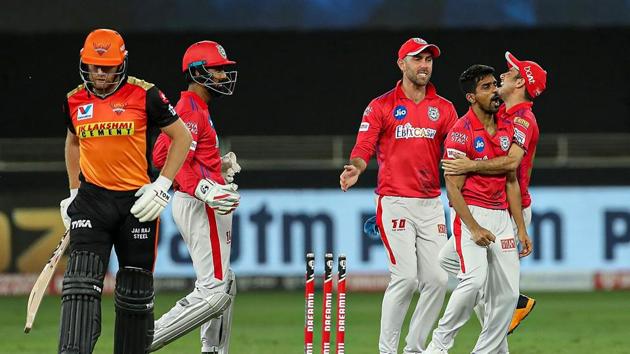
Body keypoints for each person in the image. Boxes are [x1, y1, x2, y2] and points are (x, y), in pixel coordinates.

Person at [58, 28, 192, 354]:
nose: (101, 74)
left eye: (108, 67)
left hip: (137, 202)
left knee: (135, 292)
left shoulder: (145, 94)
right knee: (80, 285)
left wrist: (162, 185)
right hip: (91, 201)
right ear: (84, 64)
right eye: (94, 66)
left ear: (122, 63)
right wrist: (74, 191)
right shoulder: (74, 100)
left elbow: (183, 138)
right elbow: (73, 142)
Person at [340, 37, 459, 354]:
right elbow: (364, 146)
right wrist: (356, 167)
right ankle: (387, 350)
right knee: (405, 278)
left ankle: (415, 349)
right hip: (394, 201)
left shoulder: (445, 109)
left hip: (431, 203)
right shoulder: (381, 106)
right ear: (401, 64)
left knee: (436, 280)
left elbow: (456, 152)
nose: (424, 65)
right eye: (417, 59)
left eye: (429, 60)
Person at [425, 64, 533, 354]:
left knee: (509, 295)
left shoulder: (508, 125)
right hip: (472, 212)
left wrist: (520, 227)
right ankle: (438, 346)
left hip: (501, 217)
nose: (495, 91)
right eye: (486, 87)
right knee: (474, 281)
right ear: (471, 97)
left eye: (494, 84)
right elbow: (452, 188)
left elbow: (511, 179)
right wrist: (472, 227)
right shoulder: (460, 132)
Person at [440, 52, 546, 335]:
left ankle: (505, 311)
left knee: (479, 278)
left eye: (510, 72)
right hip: (495, 203)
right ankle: (508, 308)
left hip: (508, 208)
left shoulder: (523, 119)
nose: (503, 74)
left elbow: (511, 164)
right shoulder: (504, 114)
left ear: (520, 82)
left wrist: (469, 164)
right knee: (448, 260)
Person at [150, 40, 241, 354]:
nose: (223, 76)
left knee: (225, 282)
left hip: (200, 201)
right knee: (214, 292)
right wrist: (205, 187)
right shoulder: (189, 107)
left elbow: (181, 155)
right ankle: (144, 339)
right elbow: (164, 157)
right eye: (217, 70)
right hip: (199, 204)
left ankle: (213, 351)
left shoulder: (196, 108)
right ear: (198, 72)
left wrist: (218, 166)